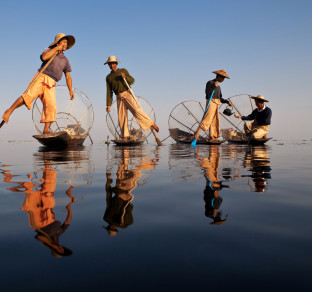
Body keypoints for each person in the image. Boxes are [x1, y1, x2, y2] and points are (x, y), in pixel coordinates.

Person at [2, 33, 75, 134]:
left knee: (51, 107)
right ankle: (9, 111)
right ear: (58, 42)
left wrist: (70, 90)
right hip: (41, 77)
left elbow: (68, 76)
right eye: (64, 42)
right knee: (28, 96)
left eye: (67, 42)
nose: (66, 44)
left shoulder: (66, 60)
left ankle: (46, 129)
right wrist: (57, 48)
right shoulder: (49, 50)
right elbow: (44, 57)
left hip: (51, 83)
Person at [105, 56, 159, 141]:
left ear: (116, 63)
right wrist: (108, 104)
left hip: (127, 94)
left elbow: (132, 80)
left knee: (136, 110)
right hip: (119, 97)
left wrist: (125, 77)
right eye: (110, 64)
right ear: (108, 65)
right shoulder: (108, 77)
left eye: (113, 63)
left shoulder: (123, 71)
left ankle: (151, 123)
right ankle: (125, 136)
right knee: (122, 117)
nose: (111, 65)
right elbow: (109, 91)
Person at [193, 69, 233, 142]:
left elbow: (220, 98)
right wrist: (214, 86)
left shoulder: (219, 87)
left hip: (216, 103)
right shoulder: (210, 82)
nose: (223, 80)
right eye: (223, 78)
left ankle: (212, 136)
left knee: (214, 120)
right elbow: (207, 93)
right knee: (207, 118)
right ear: (219, 76)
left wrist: (227, 102)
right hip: (211, 102)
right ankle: (196, 133)